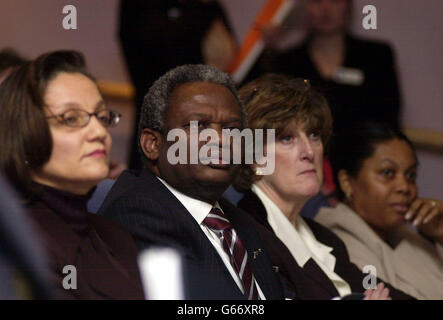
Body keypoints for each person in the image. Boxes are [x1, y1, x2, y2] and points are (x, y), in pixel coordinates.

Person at [98, 64, 303, 300]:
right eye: (198, 126)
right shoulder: (136, 213)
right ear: (153, 144)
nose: (219, 140)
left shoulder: (236, 220)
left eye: (231, 129)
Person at [234, 74, 411, 300]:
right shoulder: (247, 236)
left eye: (314, 135)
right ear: (253, 156)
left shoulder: (324, 239)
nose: (309, 151)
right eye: (287, 138)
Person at [0, 50, 144, 299]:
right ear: (22, 134)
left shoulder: (116, 235)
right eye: (71, 119)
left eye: (101, 116)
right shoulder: (16, 244)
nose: (98, 131)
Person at [315, 123, 443, 300]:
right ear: (346, 182)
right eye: (388, 173)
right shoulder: (336, 246)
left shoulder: (411, 237)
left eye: (411, 176)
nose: (404, 187)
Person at [246, 0, 401, 133]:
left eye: (335, 0)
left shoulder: (375, 56)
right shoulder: (287, 62)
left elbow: (389, 114)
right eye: (316, 0)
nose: (326, 8)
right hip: (307, 154)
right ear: (304, 7)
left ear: (348, 5)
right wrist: (265, 52)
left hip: (363, 157)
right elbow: (257, 106)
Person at [119, 0, 237, 170]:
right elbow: (159, 51)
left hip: (209, 128)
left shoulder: (210, 7)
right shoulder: (142, 9)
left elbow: (234, 65)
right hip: (162, 127)